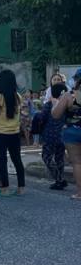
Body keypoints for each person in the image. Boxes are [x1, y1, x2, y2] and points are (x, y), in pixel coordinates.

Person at [0, 69, 26, 197]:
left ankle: (5, 188)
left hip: (0, 132)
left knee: (1, 160)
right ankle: (21, 187)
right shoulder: (18, 96)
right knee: (17, 159)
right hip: (15, 132)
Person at [52, 68, 81, 200]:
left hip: (72, 132)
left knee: (77, 162)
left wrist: (55, 104)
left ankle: (80, 193)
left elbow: (56, 114)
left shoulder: (69, 95)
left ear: (75, 79)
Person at [40, 84, 68, 190]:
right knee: (59, 158)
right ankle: (60, 179)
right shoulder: (67, 106)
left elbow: (41, 118)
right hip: (63, 136)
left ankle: (59, 179)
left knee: (46, 158)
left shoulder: (49, 105)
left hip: (49, 136)